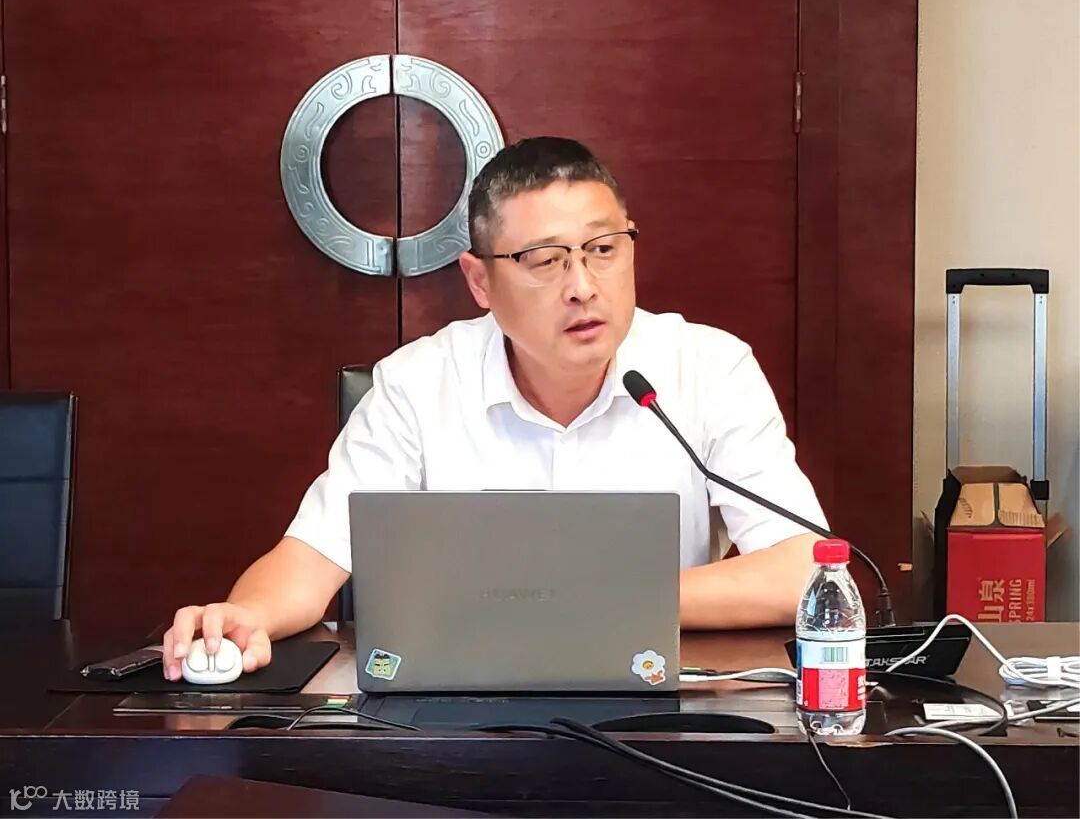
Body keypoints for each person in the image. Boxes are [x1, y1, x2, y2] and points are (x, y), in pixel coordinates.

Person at [162, 137, 826, 681]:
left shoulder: (708, 369)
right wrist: (246, 616)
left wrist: (595, 599)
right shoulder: (418, 384)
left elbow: (804, 572)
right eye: (544, 259)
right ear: (480, 281)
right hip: (457, 708)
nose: (582, 286)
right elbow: (313, 556)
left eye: (602, 250)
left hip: (653, 700)